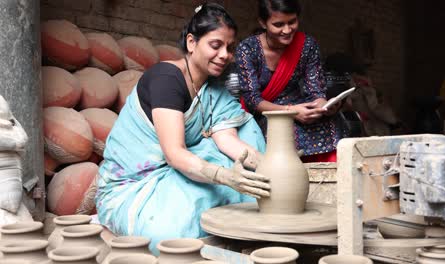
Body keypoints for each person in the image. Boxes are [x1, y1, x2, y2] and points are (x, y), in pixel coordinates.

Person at [95, 3, 270, 254]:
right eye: (215, 45)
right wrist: (225, 176)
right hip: (136, 185)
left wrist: (269, 168)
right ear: (191, 42)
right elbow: (175, 154)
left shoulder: (214, 88)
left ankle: (244, 213)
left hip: (175, 174)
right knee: (167, 238)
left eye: (230, 48)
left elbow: (228, 140)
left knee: (247, 127)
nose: (224, 55)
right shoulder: (167, 79)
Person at [235, 0, 344, 162]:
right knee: (285, 130)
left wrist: (322, 105)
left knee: (332, 123)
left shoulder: (307, 45)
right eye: (278, 24)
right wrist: (291, 112)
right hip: (264, 111)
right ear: (263, 23)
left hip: (299, 104)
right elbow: (252, 100)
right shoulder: (248, 49)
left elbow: (315, 89)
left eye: (292, 22)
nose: (287, 30)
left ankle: (330, 176)